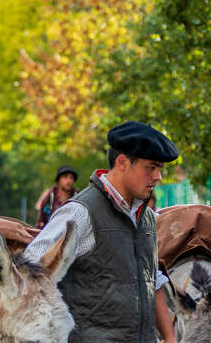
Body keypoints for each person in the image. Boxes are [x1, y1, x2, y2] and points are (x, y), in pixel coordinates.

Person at [25, 121, 178, 342]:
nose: (158, 177)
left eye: (159, 169)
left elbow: (152, 280)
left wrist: (170, 338)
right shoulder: (80, 213)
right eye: (151, 168)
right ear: (123, 162)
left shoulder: (144, 217)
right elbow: (31, 272)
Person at [35, 165, 79, 229]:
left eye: (71, 178)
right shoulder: (49, 198)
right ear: (58, 180)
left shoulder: (78, 197)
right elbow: (41, 221)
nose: (69, 180)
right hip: (50, 234)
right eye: (65, 177)